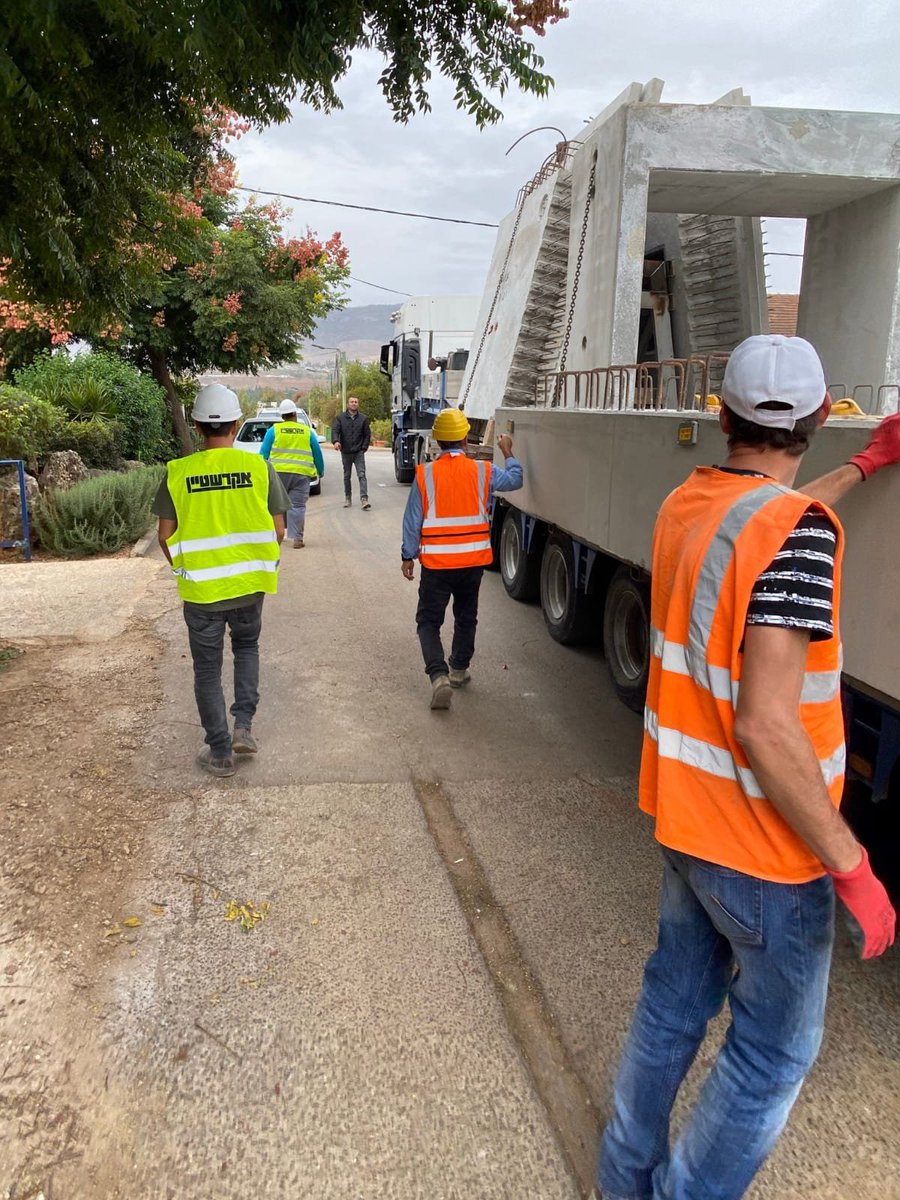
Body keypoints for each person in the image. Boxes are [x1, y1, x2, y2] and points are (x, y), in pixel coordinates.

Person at [597, 335, 899, 1200]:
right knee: (772, 1053)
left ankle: (623, 1181)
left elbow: (775, 521)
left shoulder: (691, 504)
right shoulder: (794, 535)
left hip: (688, 819)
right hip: (764, 849)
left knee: (671, 1005)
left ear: (719, 415)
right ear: (816, 419)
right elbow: (768, 723)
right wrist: (853, 864)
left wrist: (869, 470)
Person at [153, 384, 288, 777]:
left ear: (197, 426)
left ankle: (220, 752)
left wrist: (184, 569)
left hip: (201, 593)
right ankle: (243, 727)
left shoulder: (179, 472)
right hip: (248, 587)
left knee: (207, 670)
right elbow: (279, 529)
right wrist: (259, 563)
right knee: (247, 649)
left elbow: (165, 535)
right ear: (237, 424)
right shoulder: (259, 468)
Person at [400, 407, 523, 709]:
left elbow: (412, 520)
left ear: (438, 441)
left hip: (437, 565)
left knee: (428, 621)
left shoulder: (425, 474)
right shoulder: (482, 470)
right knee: (466, 615)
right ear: (466, 439)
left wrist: (407, 556)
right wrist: (507, 451)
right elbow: (515, 480)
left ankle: (438, 675)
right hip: (472, 562)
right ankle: (458, 669)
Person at [260, 398, 324, 548]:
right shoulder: (307, 432)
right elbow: (317, 453)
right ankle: (297, 539)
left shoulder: (273, 431)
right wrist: (320, 471)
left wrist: (262, 472)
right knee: (298, 506)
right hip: (301, 475)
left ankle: (277, 537)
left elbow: (263, 453)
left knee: (277, 505)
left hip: (278, 475)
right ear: (295, 414)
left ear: (282, 417)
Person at [332, 395, 372, 509]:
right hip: (346, 451)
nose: (354, 403)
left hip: (359, 452)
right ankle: (348, 498)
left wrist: (364, 448)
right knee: (346, 476)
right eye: (352, 402)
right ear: (348, 404)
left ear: (358, 404)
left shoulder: (363, 419)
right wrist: (336, 441)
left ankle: (364, 499)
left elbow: (367, 434)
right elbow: (335, 430)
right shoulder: (340, 418)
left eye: (356, 402)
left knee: (362, 475)